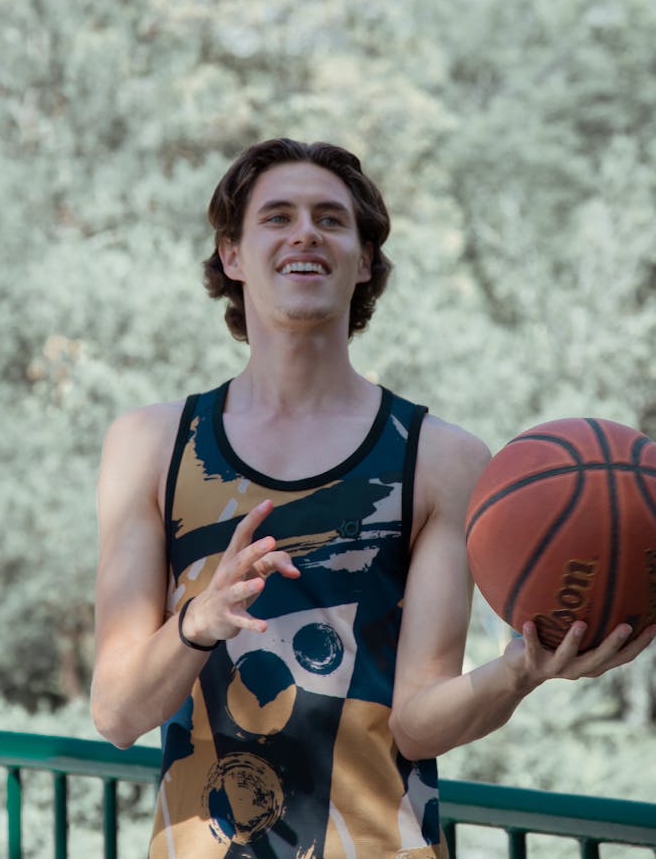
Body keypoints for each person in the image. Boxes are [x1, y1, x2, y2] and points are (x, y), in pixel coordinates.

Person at [91, 138, 654, 859]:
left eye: (331, 219)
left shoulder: (441, 457)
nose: (305, 233)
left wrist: (520, 670)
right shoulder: (152, 444)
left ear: (363, 262)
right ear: (231, 255)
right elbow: (115, 711)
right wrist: (197, 621)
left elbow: (417, 721)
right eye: (277, 216)